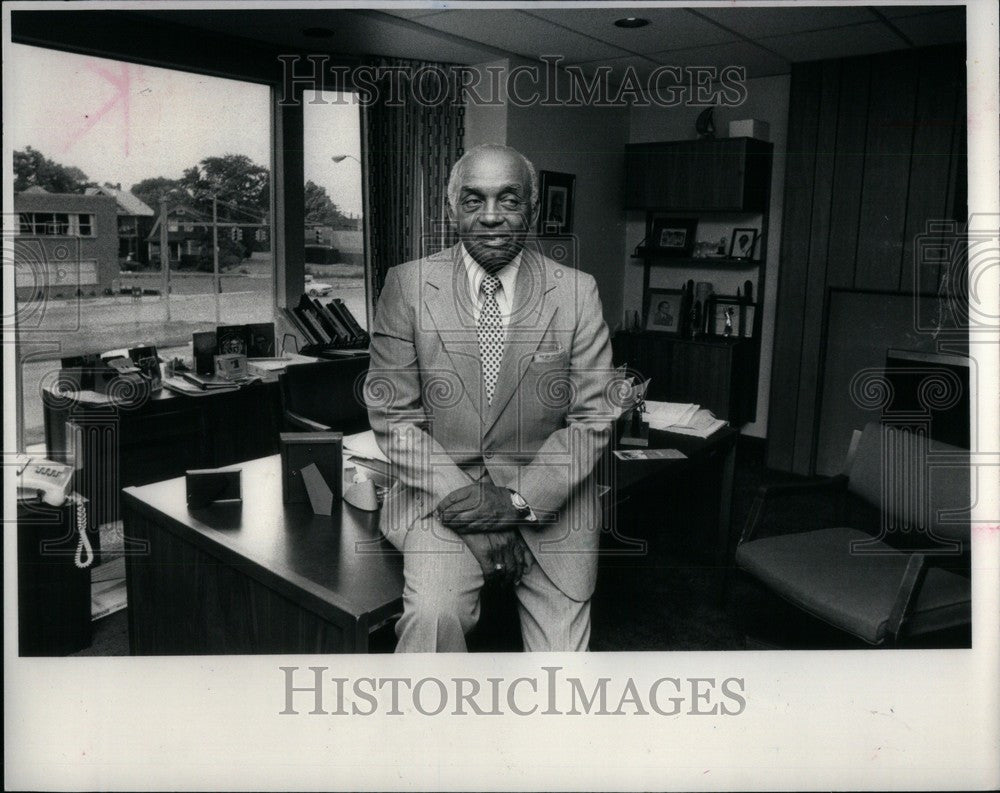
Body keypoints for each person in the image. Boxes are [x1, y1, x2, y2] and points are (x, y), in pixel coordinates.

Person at [366, 144, 615, 652]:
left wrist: (517, 503)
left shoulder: (577, 292)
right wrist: (474, 517)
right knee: (433, 620)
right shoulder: (406, 286)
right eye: (474, 200)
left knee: (564, 681)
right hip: (441, 497)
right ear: (450, 207)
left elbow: (594, 417)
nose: (492, 217)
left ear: (534, 210)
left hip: (552, 504)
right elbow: (395, 418)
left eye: (509, 199)